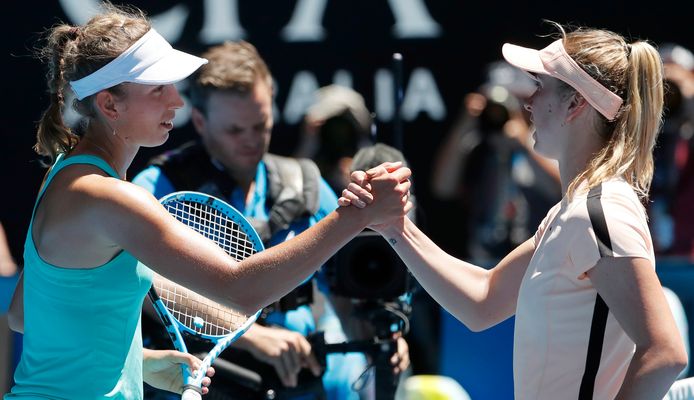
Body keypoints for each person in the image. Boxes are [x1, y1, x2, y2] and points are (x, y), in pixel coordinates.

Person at [5, 5, 411, 399]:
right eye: (158, 88)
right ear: (110, 104)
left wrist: (137, 361)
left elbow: (25, 315)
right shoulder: (110, 199)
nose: (176, 102)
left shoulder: (65, 176)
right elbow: (241, 290)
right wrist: (355, 215)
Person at [340, 23, 688, 399]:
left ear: (575, 104)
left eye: (540, 87)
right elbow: (482, 300)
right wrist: (395, 226)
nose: (528, 103)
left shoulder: (599, 212)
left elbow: (665, 352)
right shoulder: (572, 213)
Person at [132, 41, 408, 399]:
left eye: (260, 126)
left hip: (302, 384)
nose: (250, 141)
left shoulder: (307, 184)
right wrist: (253, 337)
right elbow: (134, 287)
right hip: (204, 382)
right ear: (199, 122)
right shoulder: (156, 188)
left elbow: (343, 291)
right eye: (235, 130)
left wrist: (377, 341)